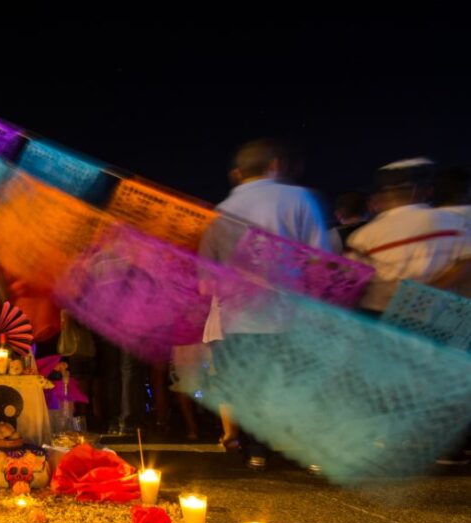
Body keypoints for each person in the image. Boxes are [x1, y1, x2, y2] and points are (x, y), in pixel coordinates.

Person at [199, 139, 335, 470]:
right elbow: (322, 260)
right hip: (290, 312)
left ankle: (256, 451)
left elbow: (206, 278)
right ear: (274, 165)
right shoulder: (300, 199)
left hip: (237, 316)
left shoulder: (219, 212)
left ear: (237, 174)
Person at [346, 159, 471, 313]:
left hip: (382, 320)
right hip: (440, 320)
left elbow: (350, 283)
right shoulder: (453, 221)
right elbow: (466, 262)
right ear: (426, 191)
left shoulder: (361, 237)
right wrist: (432, 289)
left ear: (378, 198)